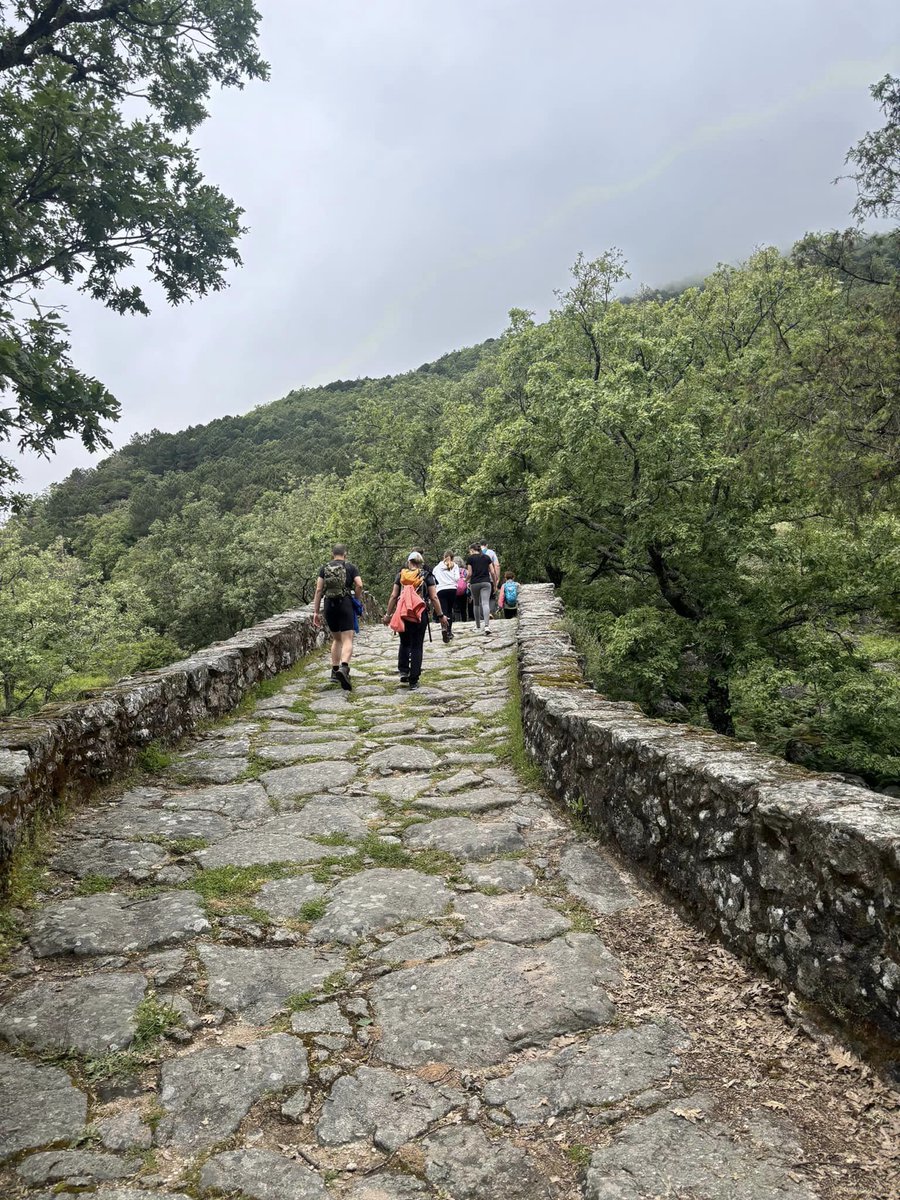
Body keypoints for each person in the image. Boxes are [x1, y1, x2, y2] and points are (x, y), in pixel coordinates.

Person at [383, 552, 449, 688]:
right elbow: (434, 597)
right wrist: (441, 615)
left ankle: (403, 672)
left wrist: (388, 614)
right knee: (417, 645)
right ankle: (414, 680)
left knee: (404, 642)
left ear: (409, 562)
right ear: (421, 563)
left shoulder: (401, 575)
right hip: (419, 613)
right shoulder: (426, 575)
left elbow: (394, 595)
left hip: (403, 612)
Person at [312, 544, 363, 690]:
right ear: (345, 554)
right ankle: (344, 667)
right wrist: (357, 599)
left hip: (329, 605)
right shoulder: (351, 567)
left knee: (336, 639)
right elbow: (359, 585)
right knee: (348, 638)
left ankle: (334, 672)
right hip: (345, 603)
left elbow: (319, 589)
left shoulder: (324, 568)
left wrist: (316, 611)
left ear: (332, 554)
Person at [465, 541, 497, 635]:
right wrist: (495, 584)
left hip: (475, 583)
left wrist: (465, 580)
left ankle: (478, 626)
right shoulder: (487, 557)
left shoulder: (470, 559)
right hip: (486, 582)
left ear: (472, 550)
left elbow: (470, 573)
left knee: (476, 604)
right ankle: (487, 626)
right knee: (485, 603)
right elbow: (492, 572)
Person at [432, 550, 460, 641]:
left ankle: (444, 628)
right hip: (452, 589)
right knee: (449, 610)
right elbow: (457, 578)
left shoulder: (437, 567)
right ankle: (449, 631)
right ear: (452, 558)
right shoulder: (455, 566)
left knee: (443, 610)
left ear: (443, 557)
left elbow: (433, 579)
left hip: (441, 590)